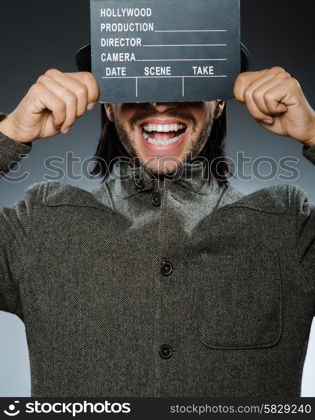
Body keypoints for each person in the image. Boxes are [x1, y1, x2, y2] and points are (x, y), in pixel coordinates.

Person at [0, 66, 314, 398]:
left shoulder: (286, 226)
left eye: (186, 78)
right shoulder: (40, 225)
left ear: (220, 101)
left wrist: (312, 130)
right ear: (108, 104)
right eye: (134, 82)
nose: (161, 103)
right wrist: (10, 132)